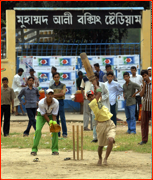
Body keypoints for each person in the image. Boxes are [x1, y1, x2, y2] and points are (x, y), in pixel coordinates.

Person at [87, 86, 116, 166]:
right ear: (88, 99)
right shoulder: (92, 104)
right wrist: (95, 85)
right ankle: (100, 157)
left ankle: (105, 158)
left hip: (109, 123)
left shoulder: (98, 100)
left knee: (110, 140)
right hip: (101, 125)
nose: (91, 97)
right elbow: (99, 93)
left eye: (92, 95)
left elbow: (98, 94)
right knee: (100, 145)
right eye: (89, 97)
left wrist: (96, 85)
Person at [31, 89, 59, 155]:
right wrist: (49, 122)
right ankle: (34, 149)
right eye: (48, 94)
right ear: (46, 95)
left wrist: (54, 123)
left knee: (55, 130)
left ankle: (55, 149)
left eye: (51, 94)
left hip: (51, 115)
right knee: (38, 130)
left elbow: (54, 114)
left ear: (53, 95)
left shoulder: (56, 102)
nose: (50, 95)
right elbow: (43, 114)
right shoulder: (41, 103)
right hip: (41, 115)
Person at [90, 72, 110, 143]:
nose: (93, 82)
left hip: (102, 107)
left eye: (94, 79)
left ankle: (104, 137)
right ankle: (95, 137)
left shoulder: (103, 85)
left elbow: (107, 94)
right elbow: (90, 96)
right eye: (92, 80)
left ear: (97, 79)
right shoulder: (91, 87)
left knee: (103, 123)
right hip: (95, 108)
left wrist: (101, 98)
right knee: (94, 123)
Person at [50, 72, 67, 138]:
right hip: (54, 103)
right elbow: (50, 96)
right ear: (53, 78)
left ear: (59, 77)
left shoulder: (63, 85)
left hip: (61, 102)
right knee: (55, 119)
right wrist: (58, 94)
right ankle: (57, 133)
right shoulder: (51, 87)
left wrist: (54, 95)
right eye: (55, 77)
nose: (56, 78)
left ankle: (64, 133)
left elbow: (63, 94)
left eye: (57, 77)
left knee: (62, 118)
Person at [138, 70, 151, 145]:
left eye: (145, 75)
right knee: (144, 124)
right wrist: (144, 86)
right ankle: (144, 140)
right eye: (143, 76)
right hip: (145, 106)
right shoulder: (142, 85)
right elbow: (141, 95)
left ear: (148, 75)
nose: (144, 77)